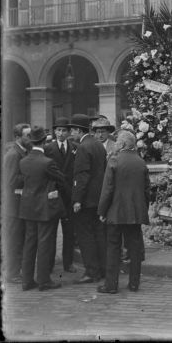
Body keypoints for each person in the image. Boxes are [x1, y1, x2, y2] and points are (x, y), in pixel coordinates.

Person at [97, 130, 151, 294]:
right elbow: (147, 190)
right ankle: (134, 283)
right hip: (134, 213)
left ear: (121, 144)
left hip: (115, 212)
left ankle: (111, 285)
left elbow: (107, 190)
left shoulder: (114, 160)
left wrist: (102, 210)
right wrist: (143, 208)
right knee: (134, 249)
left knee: (113, 247)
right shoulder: (141, 162)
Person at [18, 126, 68, 291]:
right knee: (45, 243)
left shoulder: (23, 161)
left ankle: (27, 281)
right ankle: (44, 280)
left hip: (27, 207)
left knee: (29, 243)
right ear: (44, 141)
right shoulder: (47, 162)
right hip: (45, 208)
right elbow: (61, 179)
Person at [69, 113, 107, 284]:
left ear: (78, 130)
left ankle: (91, 272)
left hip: (86, 200)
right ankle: (102, 269)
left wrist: (77, 199)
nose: (71, 134)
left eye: (72, 130)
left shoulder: (83, 147)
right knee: (99, 234)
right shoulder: (98, 145)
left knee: (85, 236)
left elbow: (81, 176)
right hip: (98, 199)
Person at [44, 117, 77, 273]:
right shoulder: (48, 148)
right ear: (54, 131)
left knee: (69, 231)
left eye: (64, 130)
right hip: (54, 194)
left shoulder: (75, 147)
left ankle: (68, 263)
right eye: (58, 130)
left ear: (68, 132)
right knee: (50, 231)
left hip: (69, 195)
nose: (61, 133)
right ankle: (49, 264)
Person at [2, 123, 31, 283]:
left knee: (20, 238)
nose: (30, 138)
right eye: (27, 135)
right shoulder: (14, 155)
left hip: (20, 204)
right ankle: (12, 273)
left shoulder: (23, 152)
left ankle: (15, 270)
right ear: (18, 137)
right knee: (15, 239)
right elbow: (11, 180)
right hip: (14, 205)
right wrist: (30, 176)